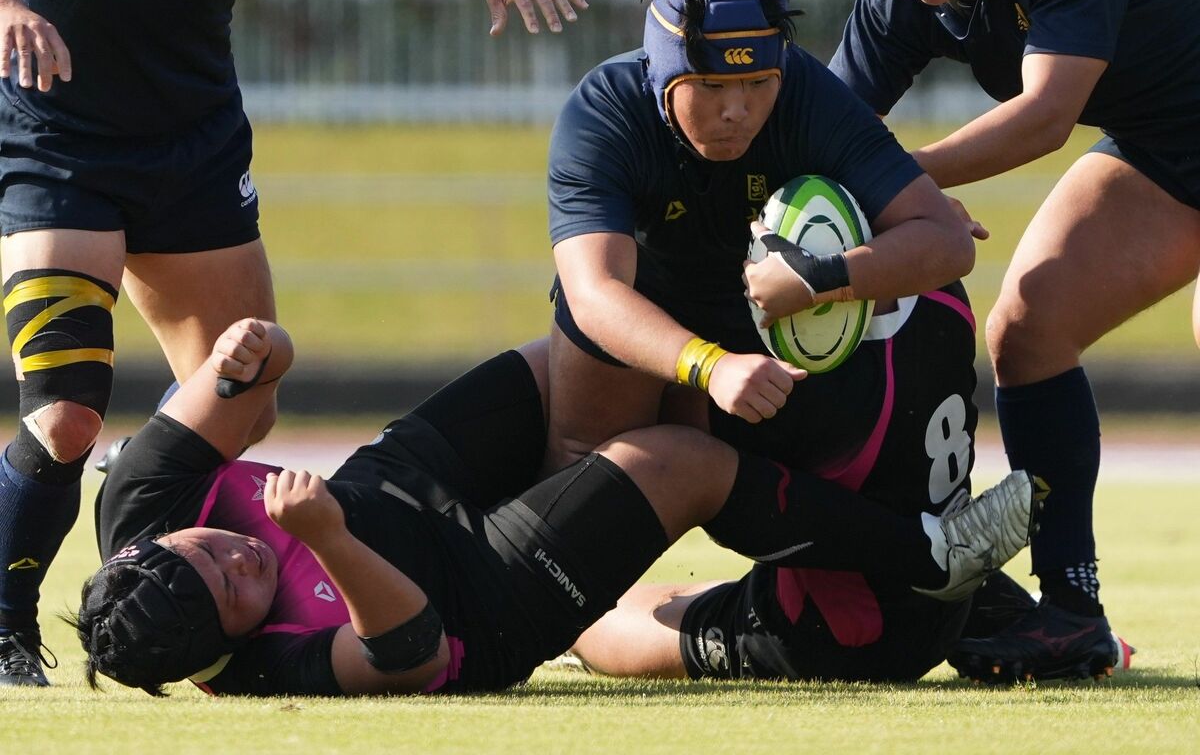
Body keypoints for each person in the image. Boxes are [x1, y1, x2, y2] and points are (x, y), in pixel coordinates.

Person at [0, 0, 588, 687]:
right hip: (59, 148)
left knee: (246, 387)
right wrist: (7, 6)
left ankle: (195, 599)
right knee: (66, 411)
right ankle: (5, 623)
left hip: (193, 154)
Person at [71, 318, 1035, 696]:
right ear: (220, 655)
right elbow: (412, 655)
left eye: (215, 550)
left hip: (403, 479)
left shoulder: (142, 494)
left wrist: (253, 351)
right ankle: (926, 553)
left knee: (601, 345)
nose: (242, 561)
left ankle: (842, 569)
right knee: (676, 459)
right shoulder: (256, 674)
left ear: (154, 539)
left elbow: (259, 369)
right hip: (472, 605)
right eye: (237, 593)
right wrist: (323, 537)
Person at [822, 0, 1200, 682]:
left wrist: (902, 184)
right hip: (1164, 152)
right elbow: (827, 129)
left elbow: (1043, 119)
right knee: (1027, 331)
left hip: (1153, 141)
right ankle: (1072, 615)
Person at [543, 0, 975, 474]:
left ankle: (929, 520)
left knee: (928, 295)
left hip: (766, 312)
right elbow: (595, 294)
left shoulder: (808, 93)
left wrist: (824, 278)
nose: (737, 109)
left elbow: (947, 241)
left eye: (757, 82)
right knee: (588, 465)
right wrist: (711, 366)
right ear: (663, 78)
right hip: (648, 303)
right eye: (711, 85)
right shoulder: (606, 109)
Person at [571, 288, 1131, 684]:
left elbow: (719, 499)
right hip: (952, 599)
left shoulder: (807, 371)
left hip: (841, 630)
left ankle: (566, 626)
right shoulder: (944, 293)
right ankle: (1036, 617)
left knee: (637, 617)